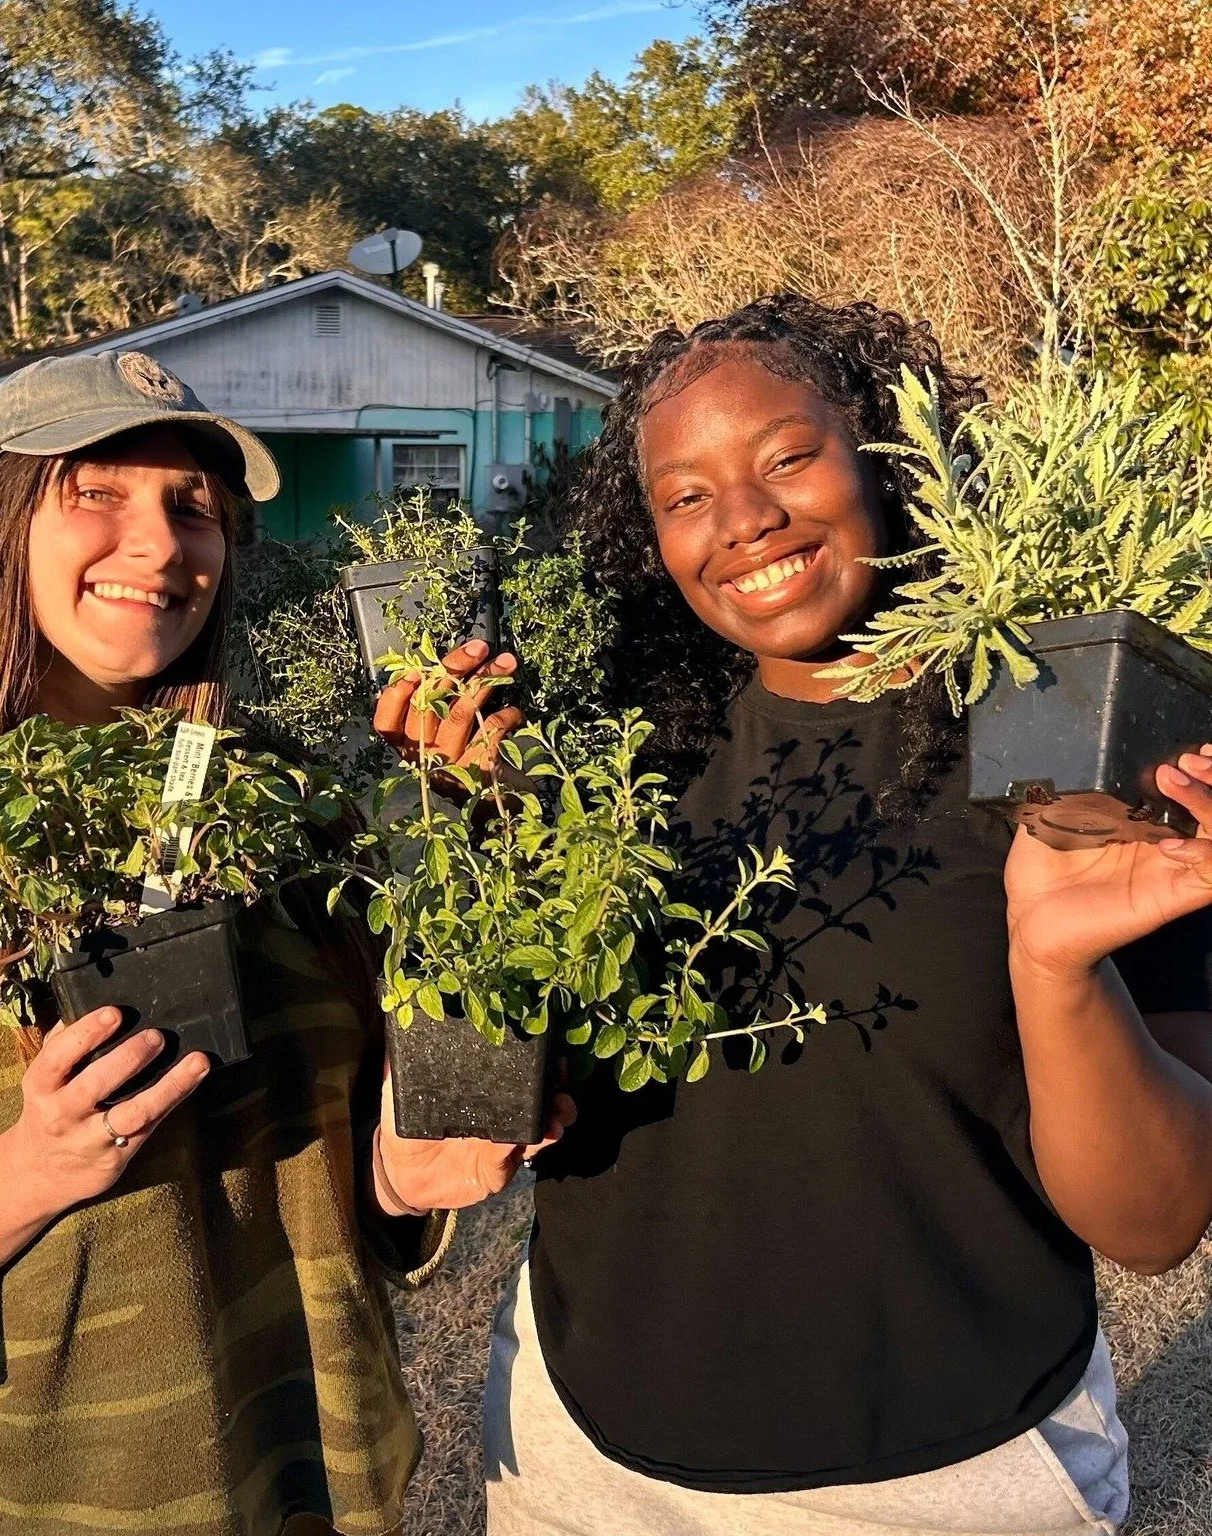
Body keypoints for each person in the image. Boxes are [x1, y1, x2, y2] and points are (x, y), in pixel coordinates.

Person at [372, 294, 1212, 1536]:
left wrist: (1054, 963)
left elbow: (1153, 1225)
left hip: (961, 1478)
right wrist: (464, 827)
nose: (746, 521)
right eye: (685, 496)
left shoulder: (1071, 760)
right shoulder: (608, 765)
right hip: (587, 1468)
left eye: (786, 457)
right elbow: (467, 1082)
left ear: (885, 457)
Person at [0, 351, 458, 1536]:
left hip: (305, 1485)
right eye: (96, 493)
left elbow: (351, 1177)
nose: (160, 544)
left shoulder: (291, 819)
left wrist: (403, 1179)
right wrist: (26, 1171)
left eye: (194, 508)